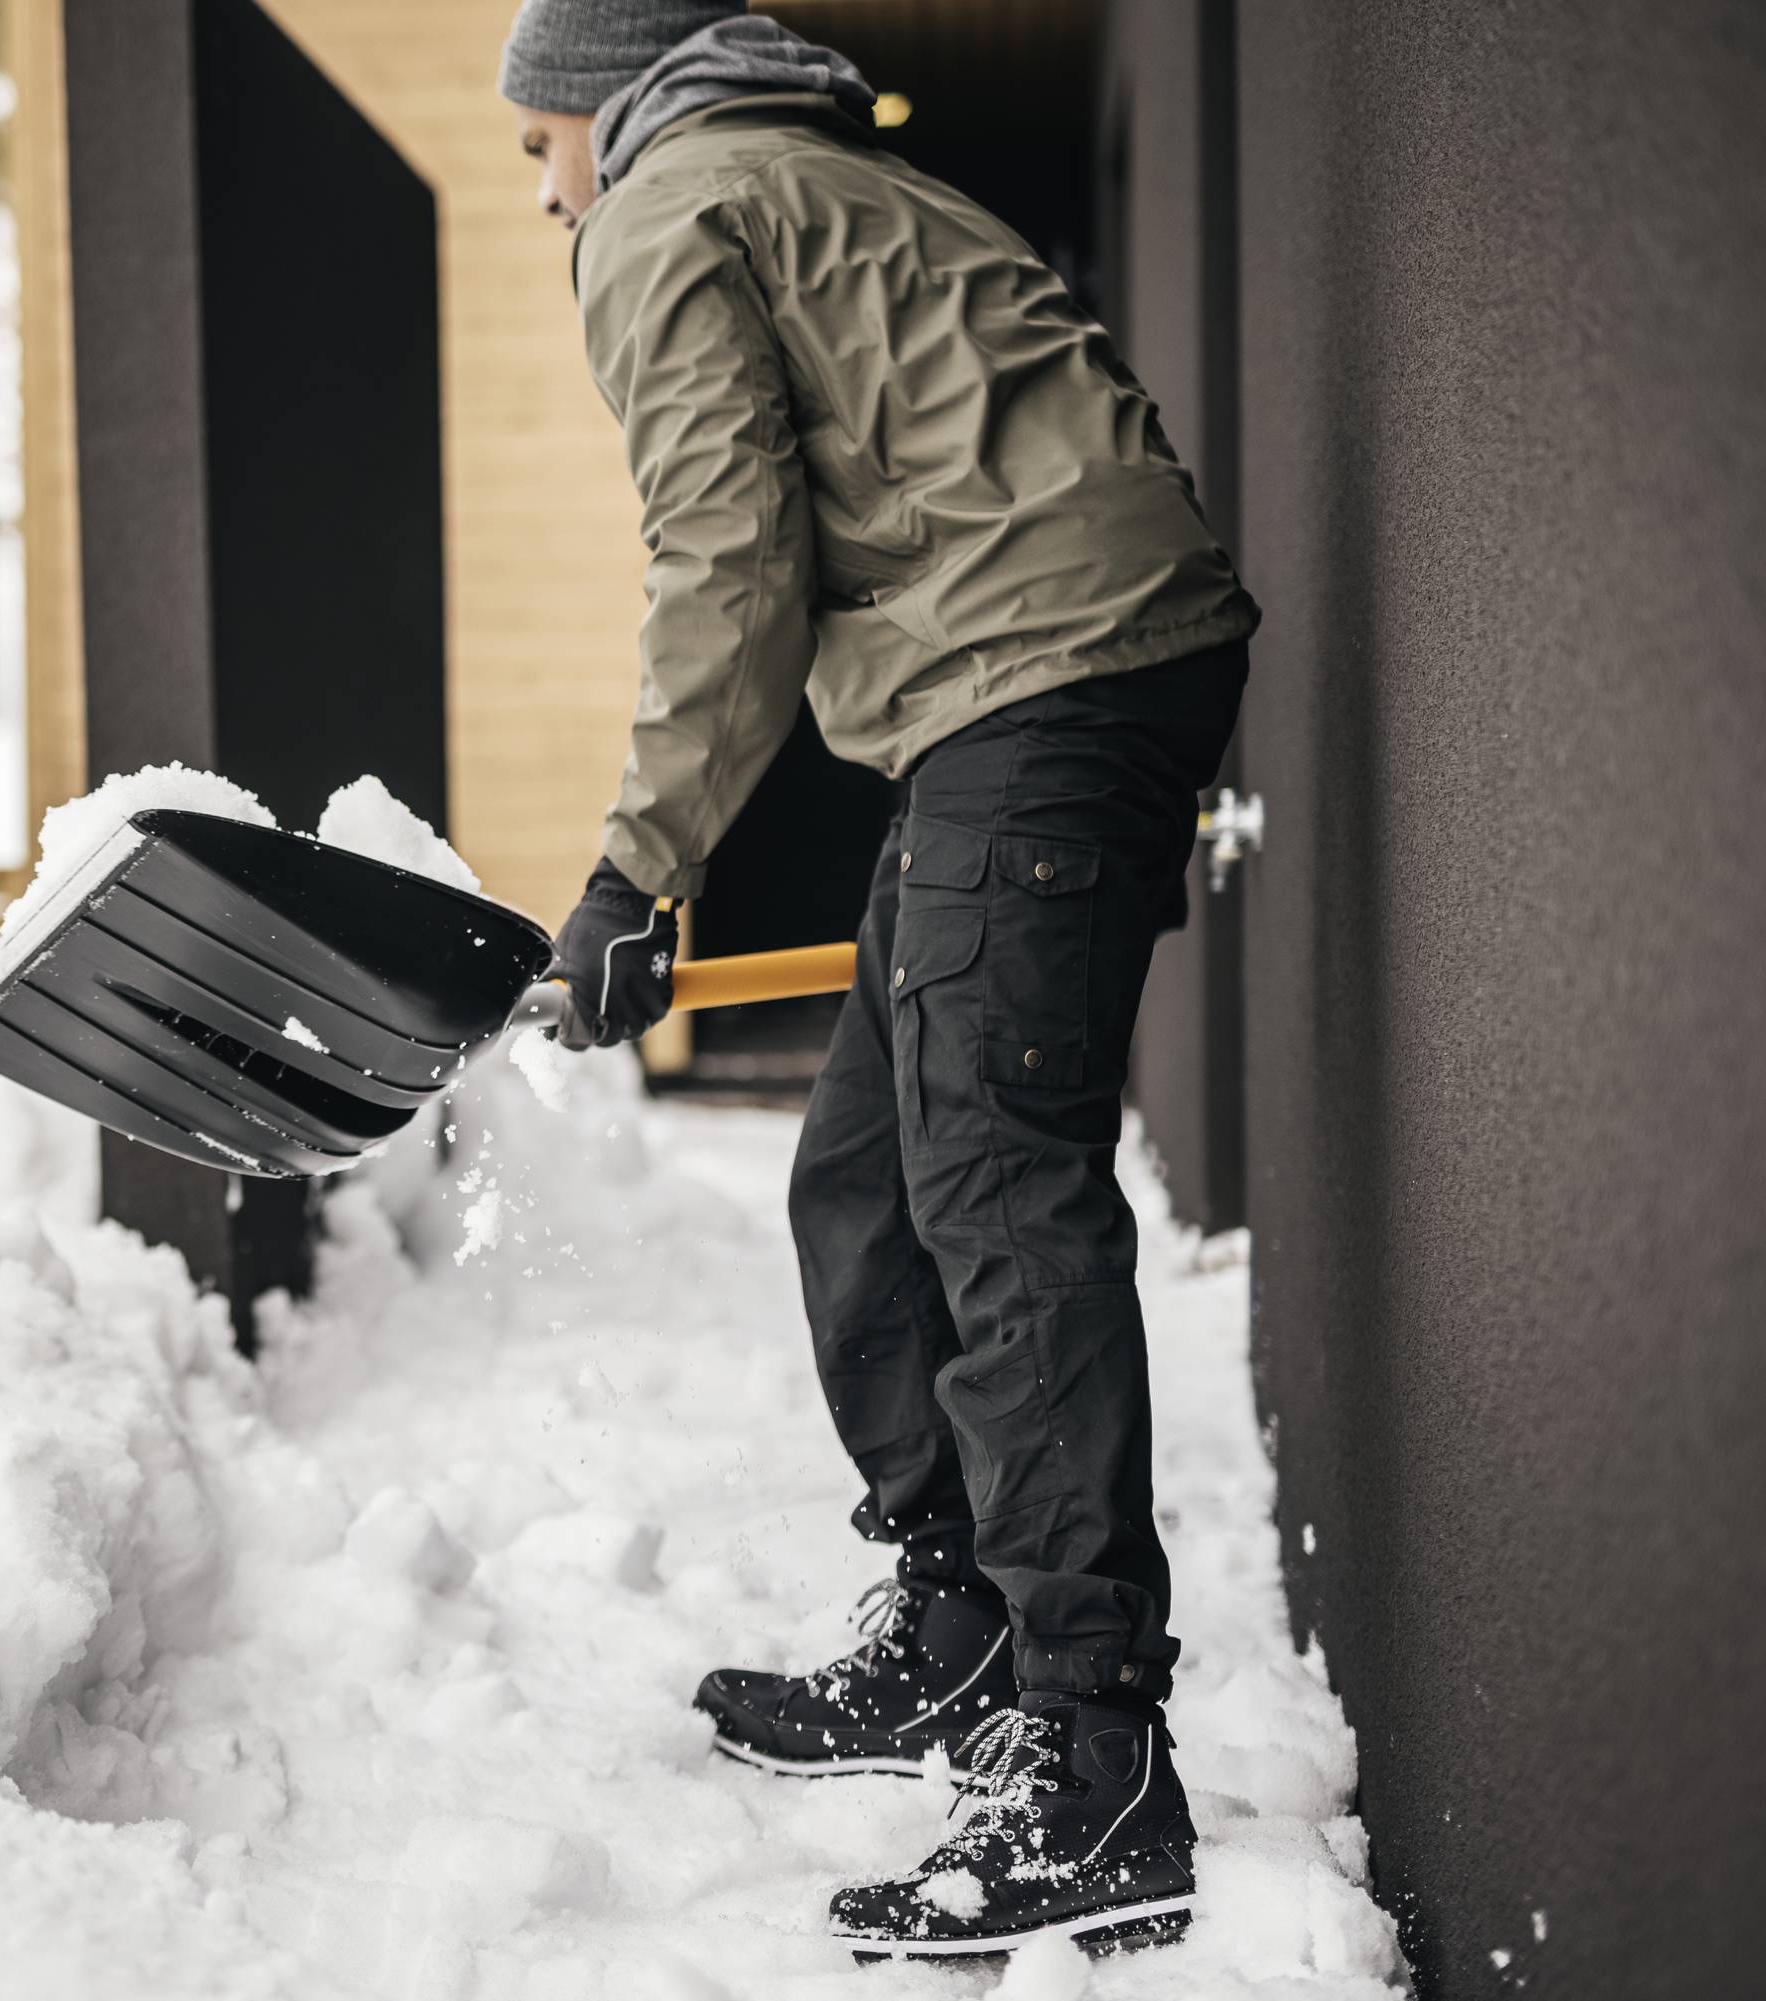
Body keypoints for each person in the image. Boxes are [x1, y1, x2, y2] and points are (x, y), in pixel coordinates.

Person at [502, 0, 1258, 1961]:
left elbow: (726, 553)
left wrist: (631, 866)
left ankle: (1091, 1759)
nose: (542, 192)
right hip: (1040, 680)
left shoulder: (671, 205)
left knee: (998, 1199)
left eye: (538, 146)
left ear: (605, 111)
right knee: (868, 1176)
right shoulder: (826, 170)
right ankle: (963, 1617)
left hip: (1039, 682)